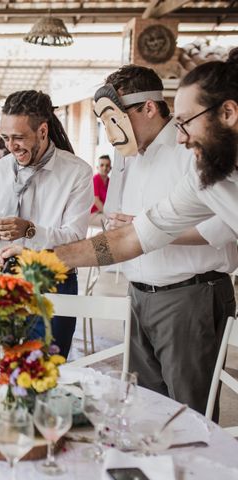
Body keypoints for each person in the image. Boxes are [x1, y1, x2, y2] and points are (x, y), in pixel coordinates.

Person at [0, 52, 238, 283]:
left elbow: (214, 232)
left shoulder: (201, 167)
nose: (180, 138)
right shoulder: (204, 179)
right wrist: (42, 258)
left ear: (228, 113)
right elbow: (129, 238)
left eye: (185, 122)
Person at [97, 65, 237, 414]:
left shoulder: (195, 147)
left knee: (188, 413)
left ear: (147, 107)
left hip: (189, 296)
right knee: (145, 409)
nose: (111, 131)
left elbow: (224, 225)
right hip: (138, 294)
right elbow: (124, 224)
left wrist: (151, 233)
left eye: (116, 117)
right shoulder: (127, 156)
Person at [0, 90, 92, 358]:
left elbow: (75, 238)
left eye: (18, 137)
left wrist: (29, 229)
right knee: (4, 368)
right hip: (6, 278)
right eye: (6, 138)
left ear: (42, 131)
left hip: (55, 280)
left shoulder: (77, 172)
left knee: (49, 369)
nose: (11, 146)